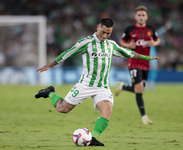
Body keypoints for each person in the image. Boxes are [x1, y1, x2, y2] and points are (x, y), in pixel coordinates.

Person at [35, 18, 159, 146]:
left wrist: (146, 58)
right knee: (62, 109)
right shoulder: (86, 43)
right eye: (103, 32)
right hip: (85, 85)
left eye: (108, 33)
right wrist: (49, 65)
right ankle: (50, 92)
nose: (105, 36)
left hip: (102, 87)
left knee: (107, 109)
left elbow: (128, 53)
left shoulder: (111, 45)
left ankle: (92, 138)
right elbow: (68, 53)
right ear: (97, 27)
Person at [115, 6, 160, 125]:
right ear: (135, 17)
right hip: (133, 61)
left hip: (146, 62)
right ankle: (144, 117)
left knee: (140, 88)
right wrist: (129, 45)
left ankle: (123, 87)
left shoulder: (151, 29)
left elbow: (157, 40)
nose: (141, 17)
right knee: (139, 88)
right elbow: (122, 42)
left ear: (146, 17)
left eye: (143, 15)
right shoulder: (130, 29)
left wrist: (153, 43)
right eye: (139, 15)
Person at [148, 22, 172, 91]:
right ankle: (147, 83)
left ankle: (150, 83)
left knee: (152, 70)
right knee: (149, 70)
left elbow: (159, 32)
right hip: (148, 56)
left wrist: (165, 28)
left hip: (151, 56)